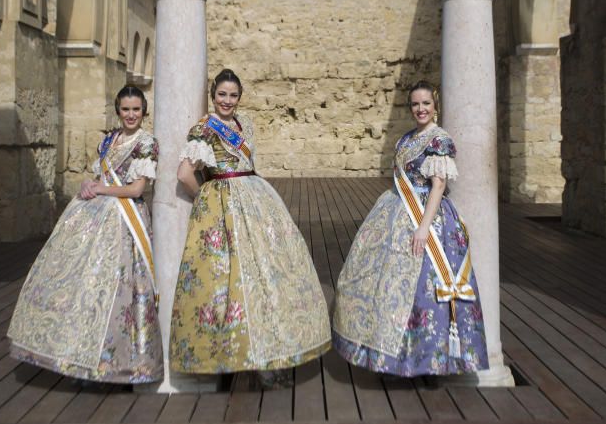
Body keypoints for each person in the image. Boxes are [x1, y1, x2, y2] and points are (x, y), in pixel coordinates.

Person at [170, 69, 330, 374]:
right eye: (222, 95)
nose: (227, 101)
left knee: (267, 274)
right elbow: (184, 173)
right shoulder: (204, 129)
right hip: (225, 202)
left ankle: (269, 351)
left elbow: (249, 163)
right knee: (229, 280)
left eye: (233, 95)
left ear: (239, 97)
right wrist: (205, 195)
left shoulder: (246, 124)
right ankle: (231, 355)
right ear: (213, 94)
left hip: (257, 200)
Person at [332, 81, 488, 376]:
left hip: (429, 218)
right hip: (396, 212)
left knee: (426, 291)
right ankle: (398, 358)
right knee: (388, 287)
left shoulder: (439, 141)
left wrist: (423, 229)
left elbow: (439, 186)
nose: (421, 109)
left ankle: (431, 364)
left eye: (426, 103)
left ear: (435, 105)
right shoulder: (406, 139)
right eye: (415, 104)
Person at [8, 85, 162, 384]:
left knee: (120, 289)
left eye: (136, 110)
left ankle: (120, 363)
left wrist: (101, 188)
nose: (131, 115)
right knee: (86, 285)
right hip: (96, 219)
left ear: (144, 112)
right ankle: (78, 353)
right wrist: (88, 185)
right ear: (118, 110)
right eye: (125, 109)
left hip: (125, 221)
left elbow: (136, 189)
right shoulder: (108, 140)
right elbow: (100, 177)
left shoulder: (146, 143)